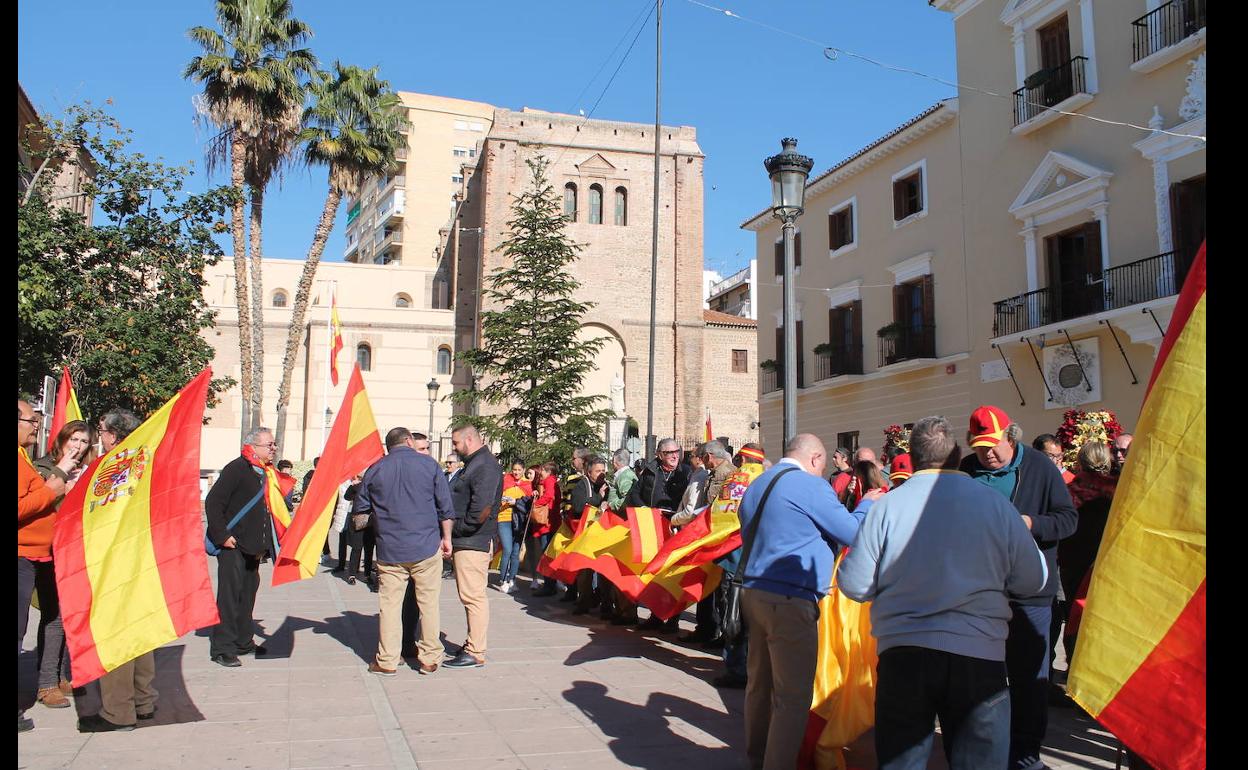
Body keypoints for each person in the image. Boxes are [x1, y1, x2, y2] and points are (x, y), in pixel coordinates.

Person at [840, 416, 1049, 770]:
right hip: (979, 653)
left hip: (904, 651)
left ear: (915, 459)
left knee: (901, 763)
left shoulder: (887, 507)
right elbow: (1033, 579)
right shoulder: (995, 506)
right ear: (956, 453)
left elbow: (854, 584)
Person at [738, 433, 881, 770]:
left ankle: (756, 760)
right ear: (816, 459)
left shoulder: (758, 484)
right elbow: (853, 533)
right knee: (792, 697)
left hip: (753, 591)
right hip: (791, 597)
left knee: (759, 686)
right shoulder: (809, 485)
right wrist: (867, 504)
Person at [959, 405, 1077, 770]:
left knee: (1030, 677)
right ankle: (989, 748)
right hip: (981, 593)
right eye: (980, 447)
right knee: (982, 676)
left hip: (1030, 595)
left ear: (1011, 436)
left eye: (993, 445)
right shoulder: (966, 470)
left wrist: (1029, 523)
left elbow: (1067, 519)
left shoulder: (1039, 468)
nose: (987, 454)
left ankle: (1026, 754)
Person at [78, 408, 159, 732]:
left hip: (116, 562)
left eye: (102, 431)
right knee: (139, 636)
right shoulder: (146, 463)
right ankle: (143, 701)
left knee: (116, 638)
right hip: (141, 559)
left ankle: (118, 711)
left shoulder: (114, 467)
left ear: (113, 435)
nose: (101, 437)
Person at [355, 427, 454, 676]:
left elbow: (359, 515)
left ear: (388, 446)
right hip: (426, 545)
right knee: (429, 604)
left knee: (389, 606)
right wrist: (447, 539)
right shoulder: (429, 466)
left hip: (390, 548)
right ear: (409, 441)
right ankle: (429, 658)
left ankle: (388, 660)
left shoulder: (376, 469)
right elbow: (445, 507)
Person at [205, 426, 282, 668]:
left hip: (253, 548)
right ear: (253, 446)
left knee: (247, 596)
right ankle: (222, 648)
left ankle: (243, 642)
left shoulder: (265, 472)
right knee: (229, 598)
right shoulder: (237, 468)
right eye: (269, 445)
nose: (273, 448)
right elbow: (213, 501)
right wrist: (222, 535)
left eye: (273, 444)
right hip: (233, 546)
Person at [18, 400, 72, 732]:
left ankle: (50, 679)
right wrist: (52, 490)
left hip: (40, 554)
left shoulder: (23, 457)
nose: (35, 425)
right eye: (30, 419)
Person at [30, 420, 92, 709]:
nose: (78, 446)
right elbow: (38, 503)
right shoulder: (43, 468)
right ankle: (46, 683)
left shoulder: (86, 471)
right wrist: (64, 485)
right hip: (48, 551)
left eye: (83, 441)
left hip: (76, 550)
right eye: (74, 439)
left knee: (71, 617)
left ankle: (63, 674)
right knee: (54, 617)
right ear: (62, 439)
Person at [445, 425, 503, 668]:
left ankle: (476, 650)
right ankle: (473, 643)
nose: (454, 448)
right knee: (470, 596)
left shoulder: (485, 466)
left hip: (473, 541)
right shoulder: (474, 464)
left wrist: (456, 529)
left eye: (456, 443)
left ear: (469, 440)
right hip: (468, 540)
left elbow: (481, 510)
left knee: (473, 597)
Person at [1058, 441, 1117, 664]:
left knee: (1074, 616)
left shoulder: (1071, 490)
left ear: (1081, 461)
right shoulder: (1119, 489)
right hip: (1107, 561)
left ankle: (1075, 664)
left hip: (1074, 562)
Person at [713, 443, 767, 688]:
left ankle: (736, 668)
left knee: (734, 614)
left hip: (737, 558)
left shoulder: (737, 480)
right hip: (764, 560)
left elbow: (719, 515)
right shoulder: (770, 480)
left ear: (743, 460)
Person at [674, 440, 736, 645]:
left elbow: (723, 508)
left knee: (724, 591)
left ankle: (723, 634)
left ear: (709, 457)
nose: (703, 463)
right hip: (712, 538)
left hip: (724, 540)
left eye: (703, 458)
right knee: (715, 590)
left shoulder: (728, 475)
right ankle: (714, 631)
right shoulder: (715, 474)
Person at [626, 438, 691, 630]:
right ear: (659, 454)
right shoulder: (650, 471)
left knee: (674, 573)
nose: (674, 456)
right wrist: (645, 509)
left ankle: (673, 619)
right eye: (669, 452)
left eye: (676, 452)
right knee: (654, 573)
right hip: (653, 526)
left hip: (676, 526)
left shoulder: (686, 473)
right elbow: (634, 495)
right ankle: (655, 615)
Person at [569, 456, 609, 615]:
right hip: (585, 535)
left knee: (605, 571)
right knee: (585, 571)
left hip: (603, 534)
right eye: (597, 471)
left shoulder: (607, 486)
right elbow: (578, 507)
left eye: (603, 471)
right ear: (589, 472)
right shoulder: (581, 485)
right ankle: (583, 602)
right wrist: (598, 497)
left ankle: (606, 604)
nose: (601, 474)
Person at [559, 448, 590, 605]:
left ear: (582, 460)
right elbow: (565, 497)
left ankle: (584, 593)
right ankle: (570, 589)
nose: (572, 461)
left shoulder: (588, 479)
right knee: (568, 557)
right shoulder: (571, 478)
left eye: (574, 458)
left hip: (582, 523)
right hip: (569, 523)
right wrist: (563, 511)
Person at [496, 460, 532, 594]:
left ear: (523, 470)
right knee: (507, 549)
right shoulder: (505, 480)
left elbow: (528, 503)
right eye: (514, 469)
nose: (516, 472)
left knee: (516, 552)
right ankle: (503, 580)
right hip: (504, 518)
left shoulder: (527, 484)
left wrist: (516, 502)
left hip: (519, 521)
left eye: (519, 470)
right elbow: (496, 497)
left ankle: (512, 580)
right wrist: (503, 499)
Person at [529, 461, 562, 597]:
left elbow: (548, 496)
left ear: (547, 471)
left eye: (542, 470)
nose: (540, 473)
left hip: (547, 524)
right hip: (552, 522)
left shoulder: (549, 481)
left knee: (546, 554)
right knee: (548, 553)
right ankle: (550, 584)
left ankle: (549, 585)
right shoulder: (552, 481)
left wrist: (536, 504)